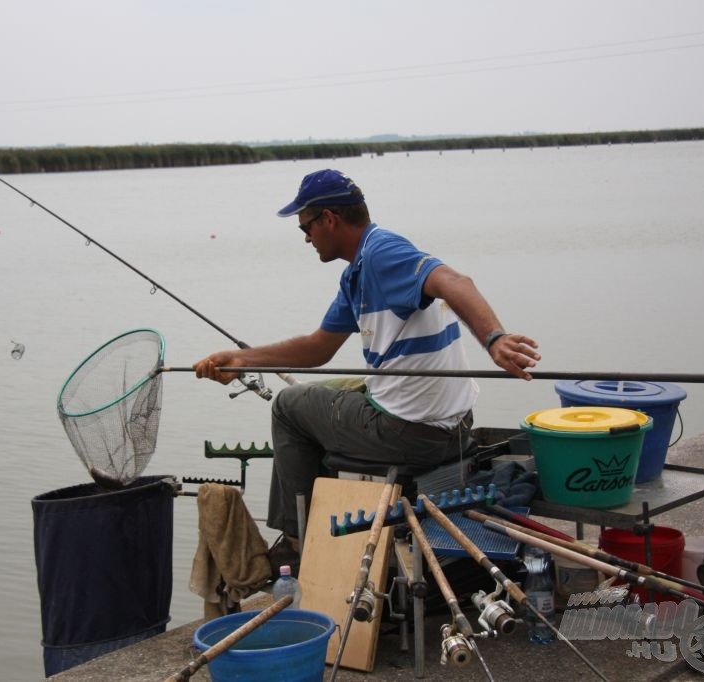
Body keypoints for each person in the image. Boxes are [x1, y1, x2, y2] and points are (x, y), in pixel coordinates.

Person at [193, 169, 540, 570]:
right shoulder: (356, 272)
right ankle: (320, 516)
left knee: (289, 406)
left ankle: (295, 539)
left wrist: (494, 338)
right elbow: (316, 348)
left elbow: (455, 280)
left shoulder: (383, 254)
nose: (306, 237)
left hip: (411, 433)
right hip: (452, 425)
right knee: (336, 388)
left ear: (329, 218)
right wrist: (240, 360)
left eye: (306, 226)